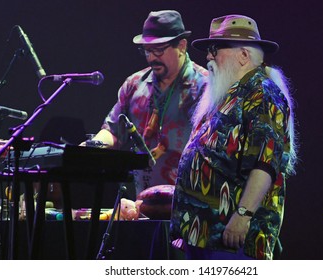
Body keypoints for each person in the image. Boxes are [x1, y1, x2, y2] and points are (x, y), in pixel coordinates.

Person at [170, 14, 298, 260]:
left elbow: (265, 163)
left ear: (243, 56)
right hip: (205, 234)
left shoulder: (262, 93)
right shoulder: (228, 93)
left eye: (215, 49)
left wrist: (243, 215)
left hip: (232, 238)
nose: (208, 56)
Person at [88, 10, 208, 198]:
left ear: (182, 46)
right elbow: (113, 131)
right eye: (147, 50)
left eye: (159, 49)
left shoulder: (205, 87)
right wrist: (89, 147)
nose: (151, 57)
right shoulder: (134, 84)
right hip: (143, 202)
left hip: (191, 205)